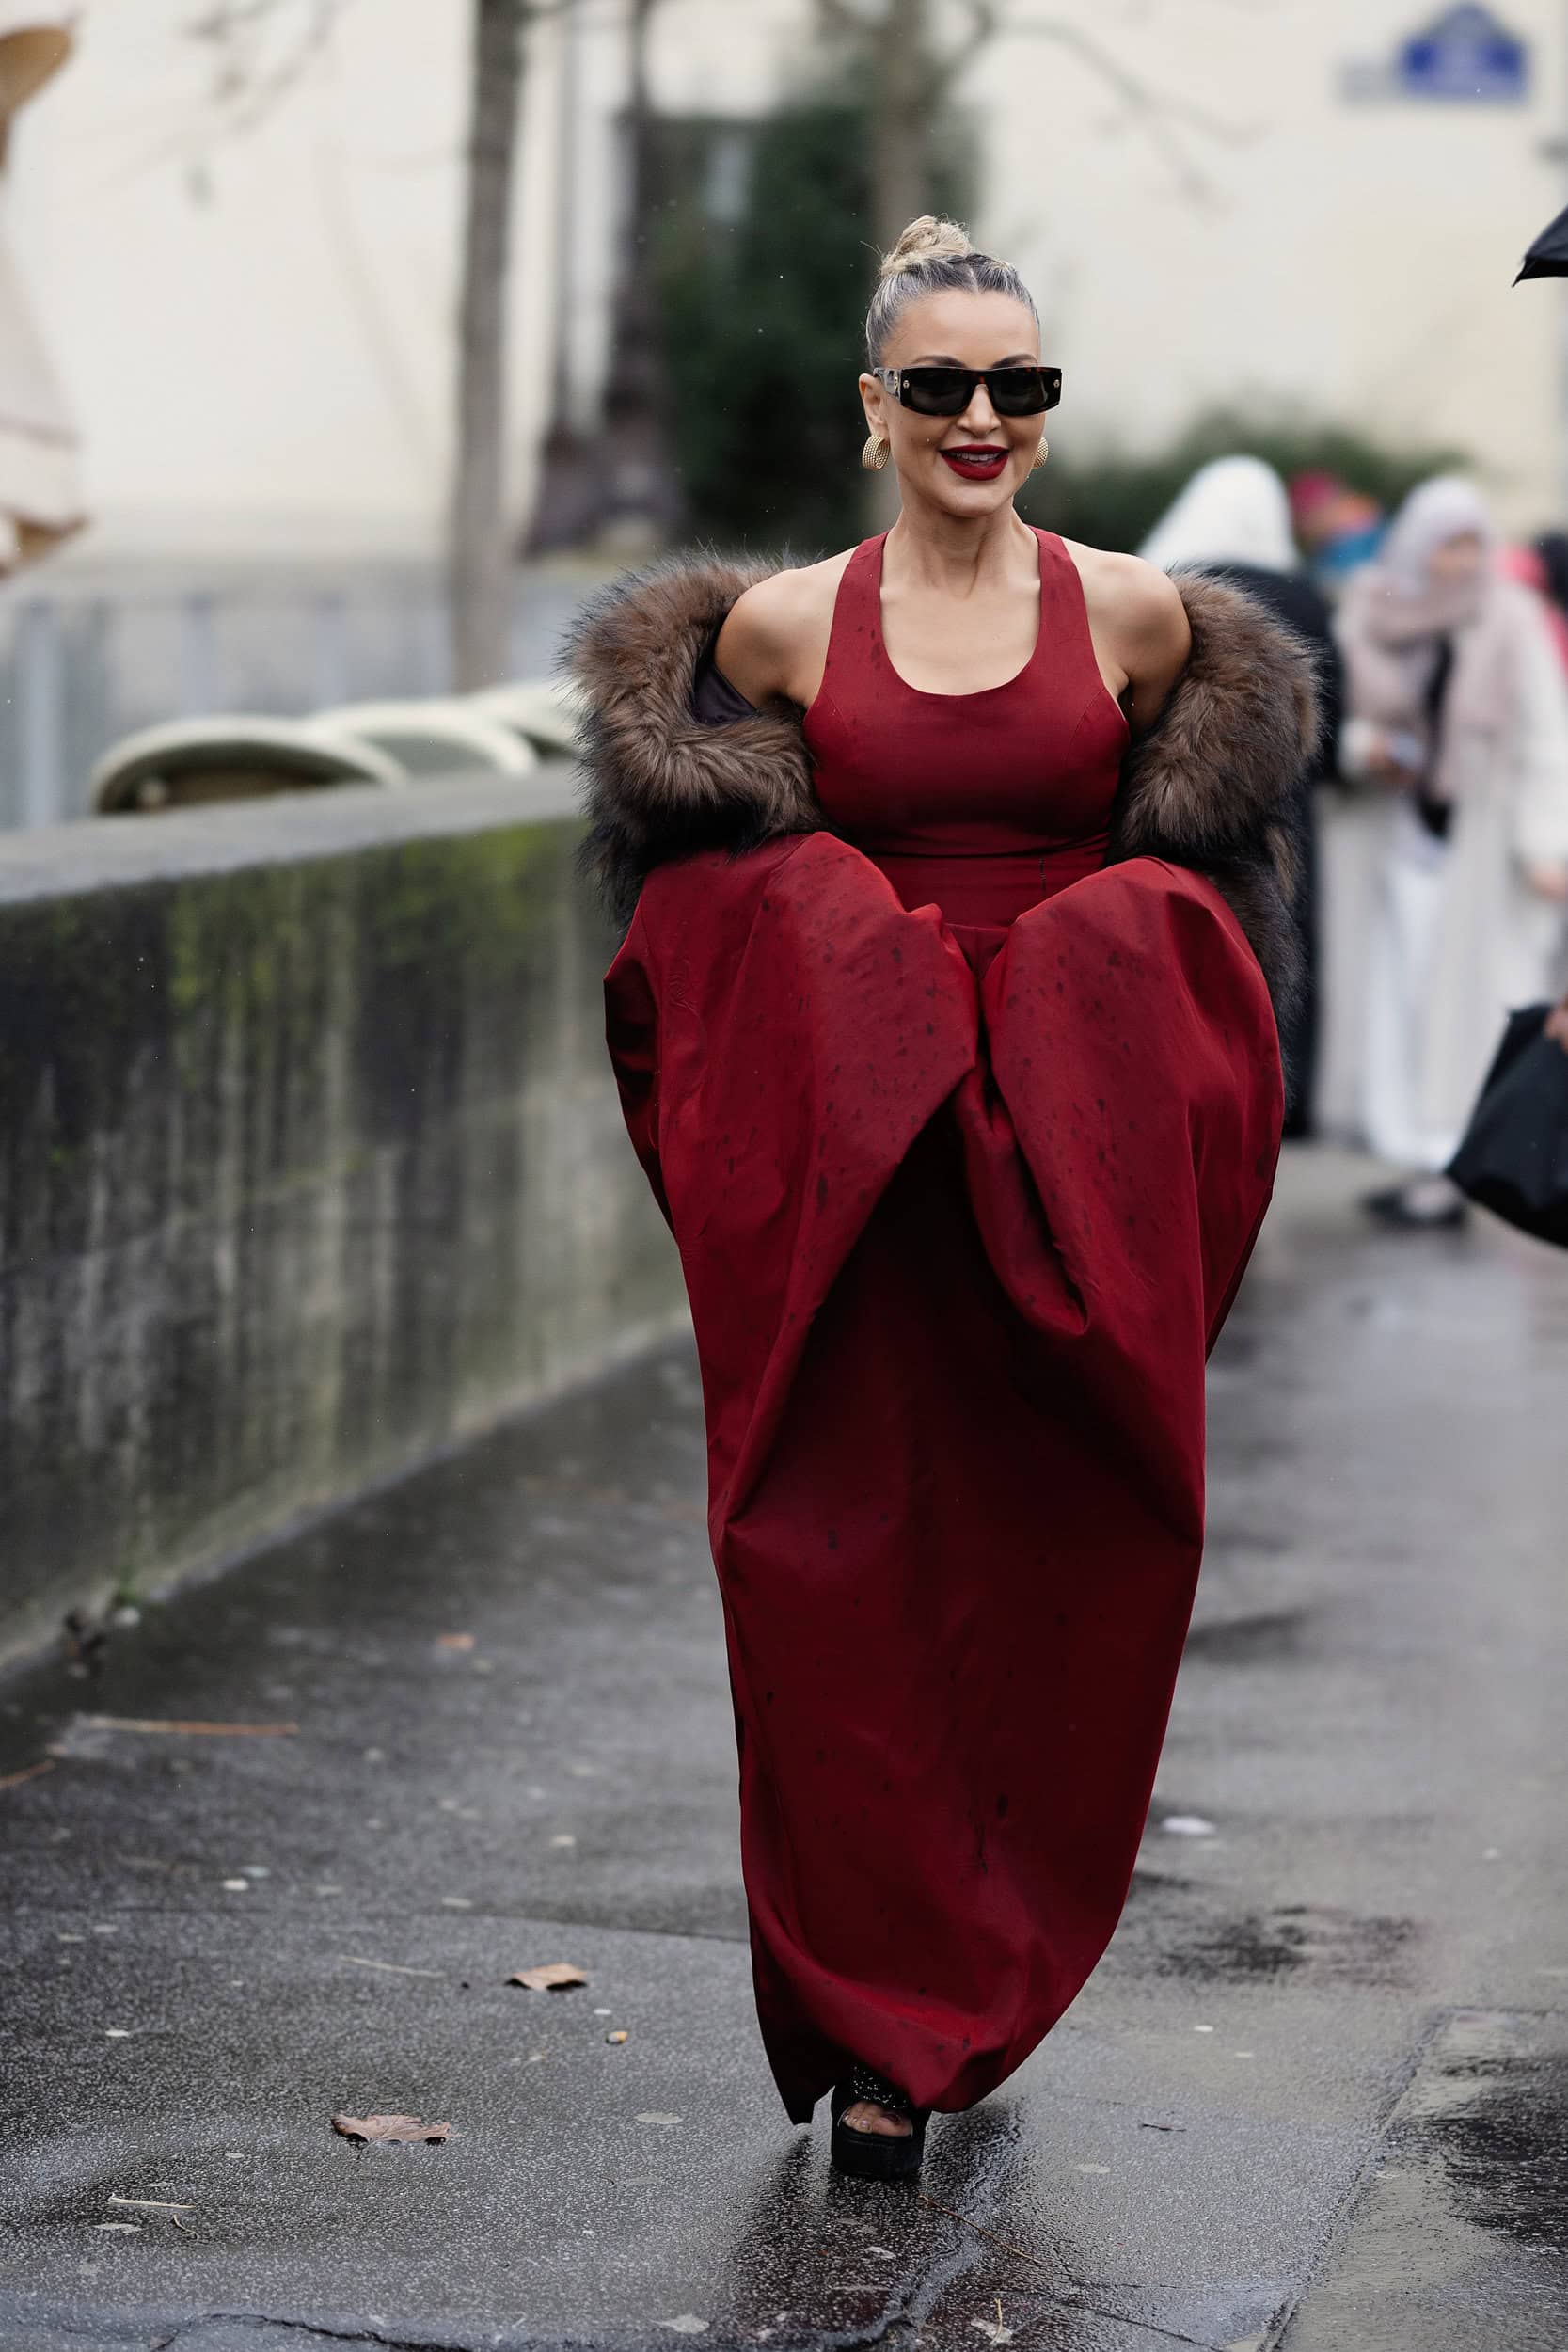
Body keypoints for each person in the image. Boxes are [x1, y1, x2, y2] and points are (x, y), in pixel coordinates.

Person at [569, 216, 1317, 2178]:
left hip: (1060, 1187)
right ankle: (867, 2023)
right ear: (871, 410)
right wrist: (858, 979)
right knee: (832, 1577)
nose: (982, 418)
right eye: (942, 387)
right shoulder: (782, 631)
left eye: (1020, 386)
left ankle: (973, 1991)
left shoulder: (1146, 619)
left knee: (1055, 1575)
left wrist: (1093, 990)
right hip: (866, 1181)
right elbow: (699, 924)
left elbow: (1208, 934)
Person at [1336, 477, 1568, 1223]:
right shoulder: (1369, 610)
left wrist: (1546, 843)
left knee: (1473, 1006)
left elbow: (1544, 736)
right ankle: (1420, 1159)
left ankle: (1457, 1167)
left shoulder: (1510, 616)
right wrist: (1362, 748)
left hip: (1483, 845)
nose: (1459, 560)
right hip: (1395, 836)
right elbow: (1328, 711)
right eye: (1446, 543)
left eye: (1472, 542)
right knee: (1402, 1005)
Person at [1140, 455, 1344, 1136]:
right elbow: (1330, 711)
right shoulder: (1299, 593)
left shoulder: (1155, 582)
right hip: (1282, 810)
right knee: (1287, 942)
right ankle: (1289, 1096)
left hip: (1165, 810)